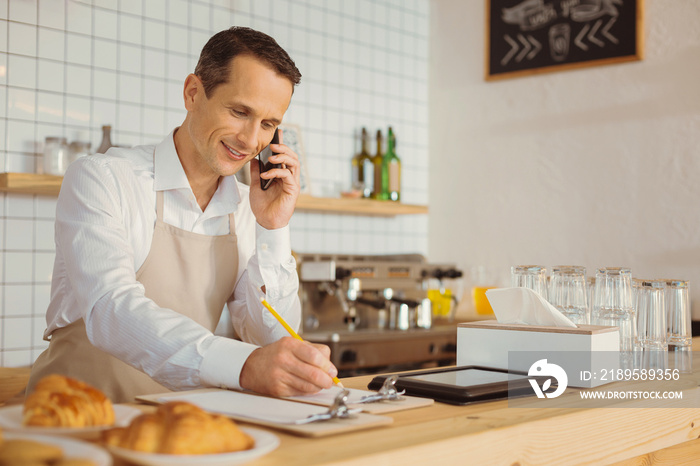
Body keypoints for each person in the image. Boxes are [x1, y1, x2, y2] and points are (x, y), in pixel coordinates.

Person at [27, 27, 339, 403]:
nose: (251, 139)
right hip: (72, 425)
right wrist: (242, 366)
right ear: (193, 93)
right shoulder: (102, 178)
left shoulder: (246, 209)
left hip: (175, 431)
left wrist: (273, 228)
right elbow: (110, 310)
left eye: (268, 125)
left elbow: (273, 341)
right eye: (240, 112)